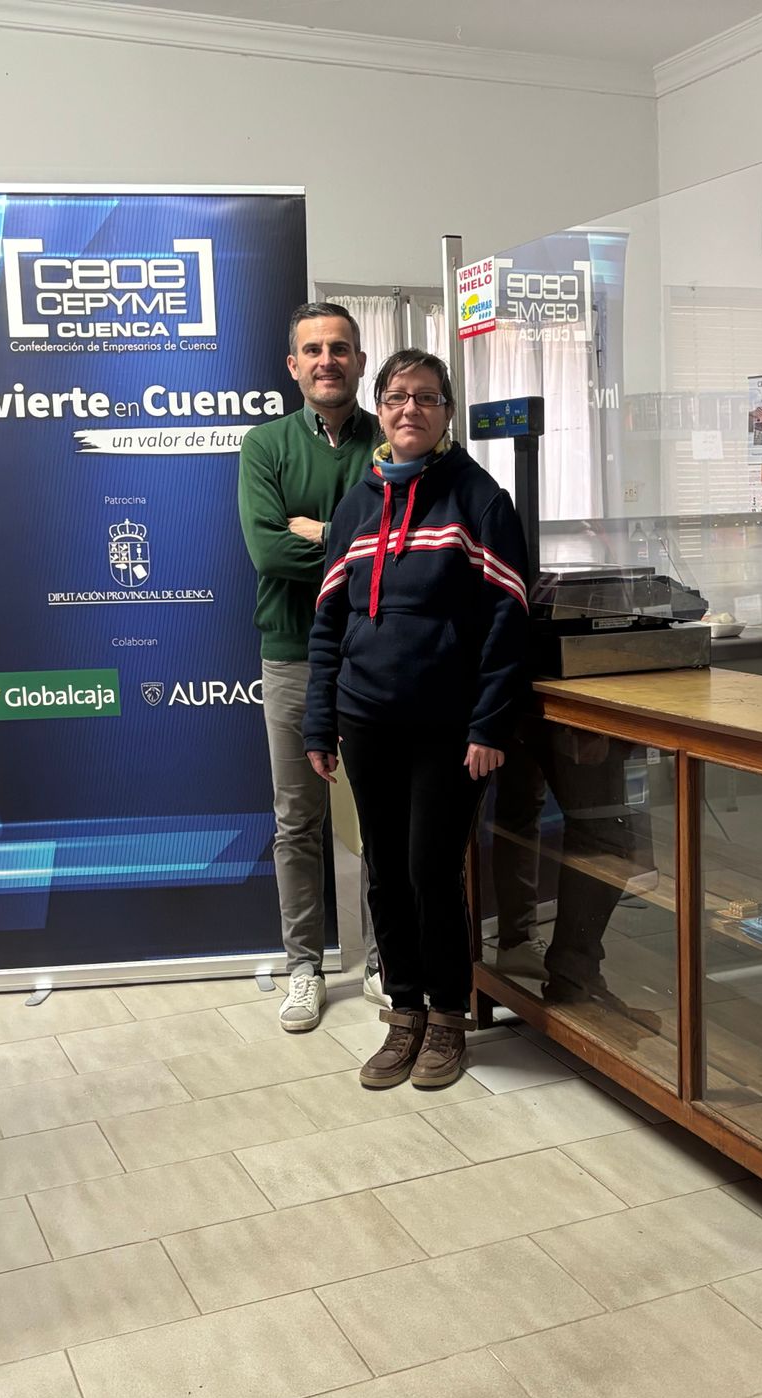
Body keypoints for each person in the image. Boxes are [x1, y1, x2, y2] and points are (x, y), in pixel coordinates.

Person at [302, 349, 529, 1090]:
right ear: (381, 409)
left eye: (427, 397)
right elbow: (328, 621)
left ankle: (448, 1017)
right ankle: (404, 1013)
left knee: (432, 870)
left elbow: (508, 622)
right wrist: (319, 720)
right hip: (366, 719)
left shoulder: (480, 499)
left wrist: (489, 724)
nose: (411, 409)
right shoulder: (356, 506)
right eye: (398, 396)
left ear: (446, 412)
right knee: (386, 872)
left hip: (448, 727)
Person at [237, 301, 385, 1030]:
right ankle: (303, 966)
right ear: (293, 365)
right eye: (314, 350)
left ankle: (387, 956)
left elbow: (410, 547)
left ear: (359, 360)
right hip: (294, 655)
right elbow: (269, 552)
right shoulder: (264, 446)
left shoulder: (391, 437)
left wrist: (323, 532)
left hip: (379, 656)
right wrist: (359, 544)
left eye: (340, 348)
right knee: (297, 820)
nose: (328, 360)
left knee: (384, 814)